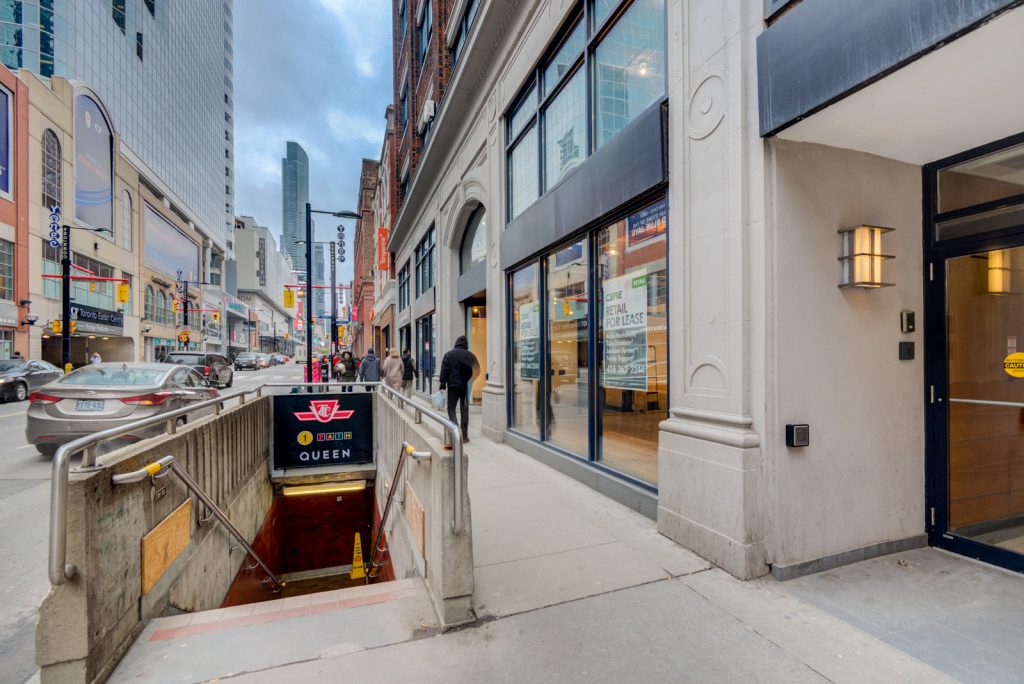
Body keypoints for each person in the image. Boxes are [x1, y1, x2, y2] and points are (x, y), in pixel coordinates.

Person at [439, 335, 480, 444]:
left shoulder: (449, 354)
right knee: (464, 409)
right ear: (466, 344)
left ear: (456, 343)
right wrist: (469, 378)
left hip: (452, 386)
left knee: (451, 408)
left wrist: (442, 385)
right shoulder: (470, 355)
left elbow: (444, 370)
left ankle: (456, 432)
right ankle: (464, 436)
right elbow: (477, 369)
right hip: (463, 386)